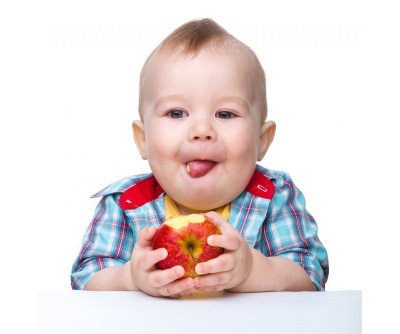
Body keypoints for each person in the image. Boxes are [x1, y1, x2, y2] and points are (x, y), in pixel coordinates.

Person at [71, 18, 329, 298]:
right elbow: (86, 277)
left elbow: (310, 273)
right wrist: (130, 277)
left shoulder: (275, 196)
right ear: (143, 140)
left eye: (225, 114)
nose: (202, 131)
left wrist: (253, 269)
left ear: (261, 141)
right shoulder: (125, 203)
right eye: (177, 113)